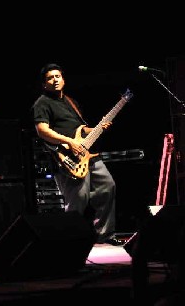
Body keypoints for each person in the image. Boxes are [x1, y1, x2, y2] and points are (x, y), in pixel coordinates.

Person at [31, 63, 122, 246]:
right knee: (78, 199)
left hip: (87, 154)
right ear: (44, 84)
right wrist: (69, 142)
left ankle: (104, 234)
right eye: (50, 78)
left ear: (63, 79)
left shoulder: (71, 102)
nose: (55, 80)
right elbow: (42, 130)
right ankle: (70, 240)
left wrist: (97, 129)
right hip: (66, 157)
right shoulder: (42, 103)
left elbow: (81, 130)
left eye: (58, 76)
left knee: (108, 186)